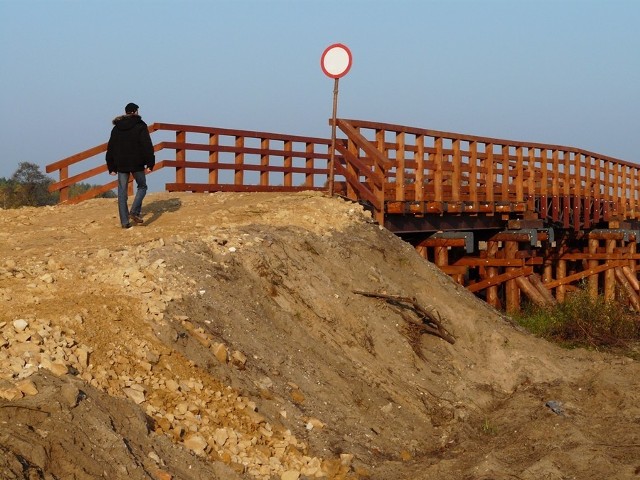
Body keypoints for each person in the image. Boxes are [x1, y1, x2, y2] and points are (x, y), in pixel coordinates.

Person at [106, 102, 155, 228]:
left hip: (121, 164)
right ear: (135, 111)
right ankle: (134, 211)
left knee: (122, 192)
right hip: (137, 163)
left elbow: (111, 147)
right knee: (142, 186)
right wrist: (150, 163)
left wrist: (111, 166)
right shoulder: (140, 125)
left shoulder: (117, 128)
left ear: (126, 112)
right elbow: (146, 145)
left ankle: (124, 222)